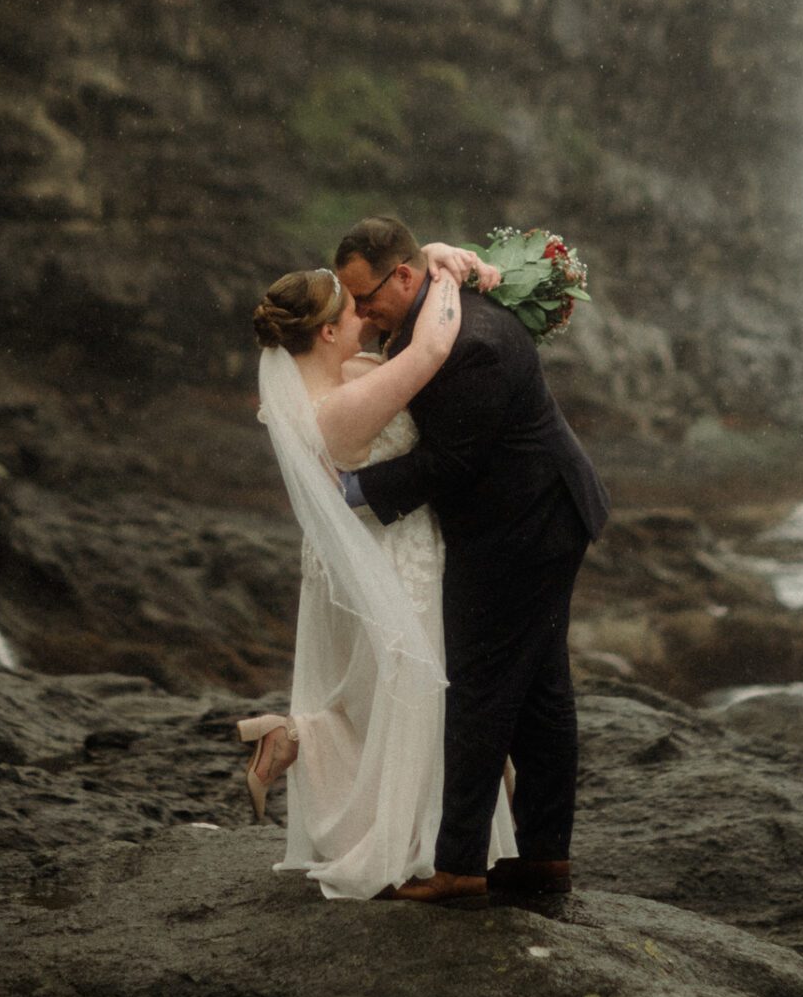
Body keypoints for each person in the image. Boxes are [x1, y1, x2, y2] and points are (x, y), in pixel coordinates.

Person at [332, 215, 609, 908]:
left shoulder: (473, 342)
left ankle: (459, 866)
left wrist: (349, 493)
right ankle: (544, 858)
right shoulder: (439, 300)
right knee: (541, 693)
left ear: (403, 276)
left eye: (367, 299)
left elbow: (451, 462)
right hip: (538, 515)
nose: (361, 313)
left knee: (480, 690)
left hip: (525, 528)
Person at [243, 244, 517, 899]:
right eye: (353, 309)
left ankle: (294, 736)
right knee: (406, 699)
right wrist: (446, 277)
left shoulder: (329, 381)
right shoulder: (344, 404)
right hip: (388, 559)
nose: (367, 313)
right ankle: (414, 845)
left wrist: (430, 253)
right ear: (329, 331)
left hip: (344, 559)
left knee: (370, 698)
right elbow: (427, 354)